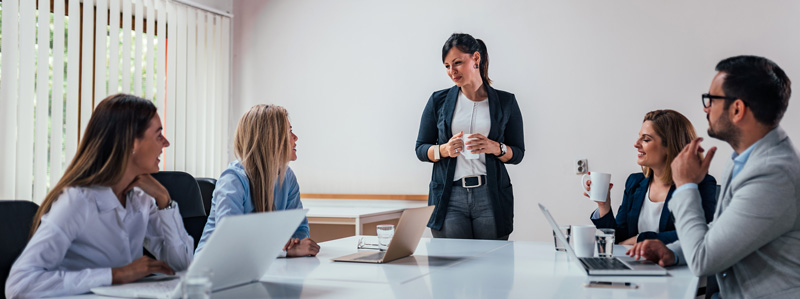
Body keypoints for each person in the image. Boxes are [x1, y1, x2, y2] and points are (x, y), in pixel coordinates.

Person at [628, 55, 800, 298]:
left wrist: (685, 185)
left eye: (711, 99)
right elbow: (719, 230)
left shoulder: (773, 174)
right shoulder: (746, 157)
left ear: (737, 109)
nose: (705, 107)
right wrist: (673, 252)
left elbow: (703, 260)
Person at [5, 94, 193, 298]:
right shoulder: (77, 201)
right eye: (158, 135)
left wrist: (164, 199)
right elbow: (19, 284)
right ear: (131, 143)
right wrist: (115, 275)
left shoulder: (141, 198)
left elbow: (182, 265)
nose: (166, 143)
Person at [415, 33, 525, 240]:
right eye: (447, 66)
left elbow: (518, 153)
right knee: (451, 267)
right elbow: (421, 148)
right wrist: (443, 150)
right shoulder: (438, 101)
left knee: (492, 265)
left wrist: (496, 148)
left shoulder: (505, 101)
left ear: (475, 58)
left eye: (457, 63)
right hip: (450, 197)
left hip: (490, 196)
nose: (451, 71)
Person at [196, 104, 319, 257]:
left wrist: (292, 244)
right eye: (289, 132)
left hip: (260, 267)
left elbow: (299, 229)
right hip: (213, 269)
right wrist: (283, 251)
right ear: (271, 139)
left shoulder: (287, 177)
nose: (295, 138)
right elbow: (230, 242)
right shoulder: (233, 180)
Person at [585, 110, 717, 245]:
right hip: (635, 264)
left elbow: (699, 233)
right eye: (639, 137)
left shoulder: (701, 184)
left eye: (646, 139)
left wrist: (640, 239)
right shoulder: (634, 182)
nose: (636, 144)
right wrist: (604, 206)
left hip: (673, 265)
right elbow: (619, 238)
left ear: (669, 146)